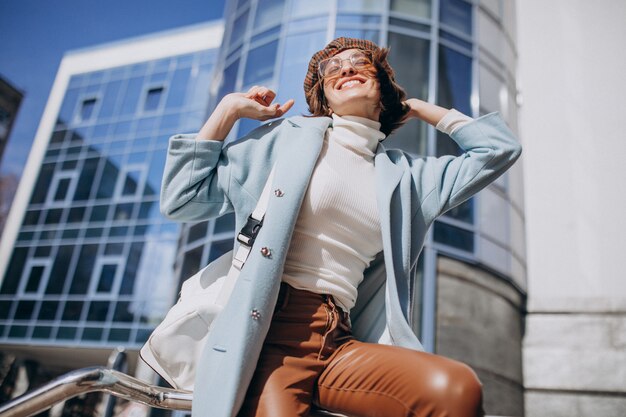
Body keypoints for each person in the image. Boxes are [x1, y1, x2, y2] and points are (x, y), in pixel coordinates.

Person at [160, 37, 522, 417]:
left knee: (453, 389)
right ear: (324, 99)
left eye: (360, 63)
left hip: (338, 340)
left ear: (382, 88)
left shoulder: (410, 178)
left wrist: (416, 108)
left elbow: (498, 150)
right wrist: (228, 110)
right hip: (267, 336)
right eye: (331, 69)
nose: (345, 68)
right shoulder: (285, 140)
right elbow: (182, 198)